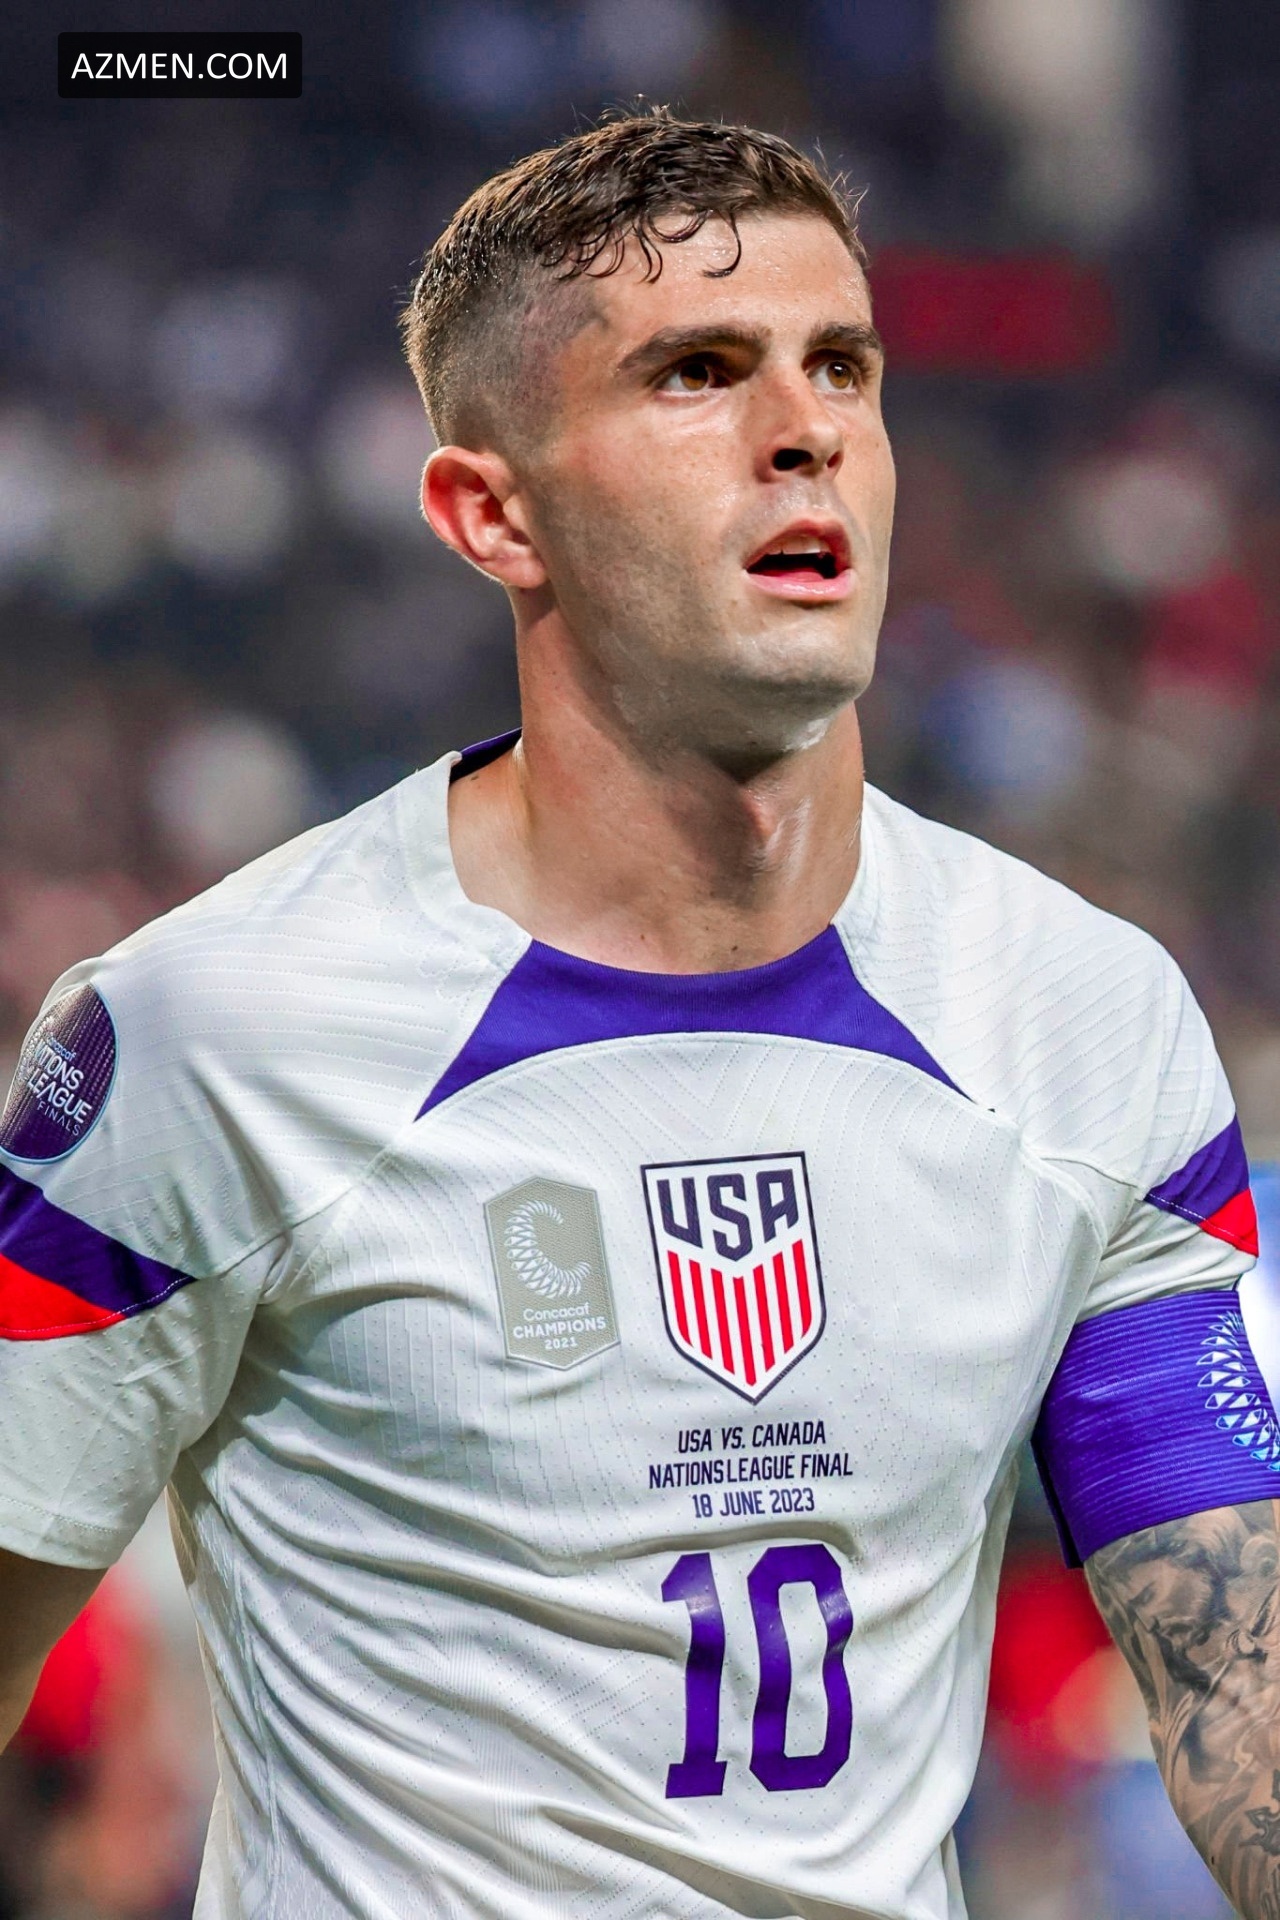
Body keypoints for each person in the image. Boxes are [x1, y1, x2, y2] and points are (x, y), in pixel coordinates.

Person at [0, 110, 1275, 1920]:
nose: (805, 428)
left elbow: (1237, 1672)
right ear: (491, 514)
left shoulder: (1088, 1016)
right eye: (698, 371)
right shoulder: (205, 1036)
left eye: (845, 365)